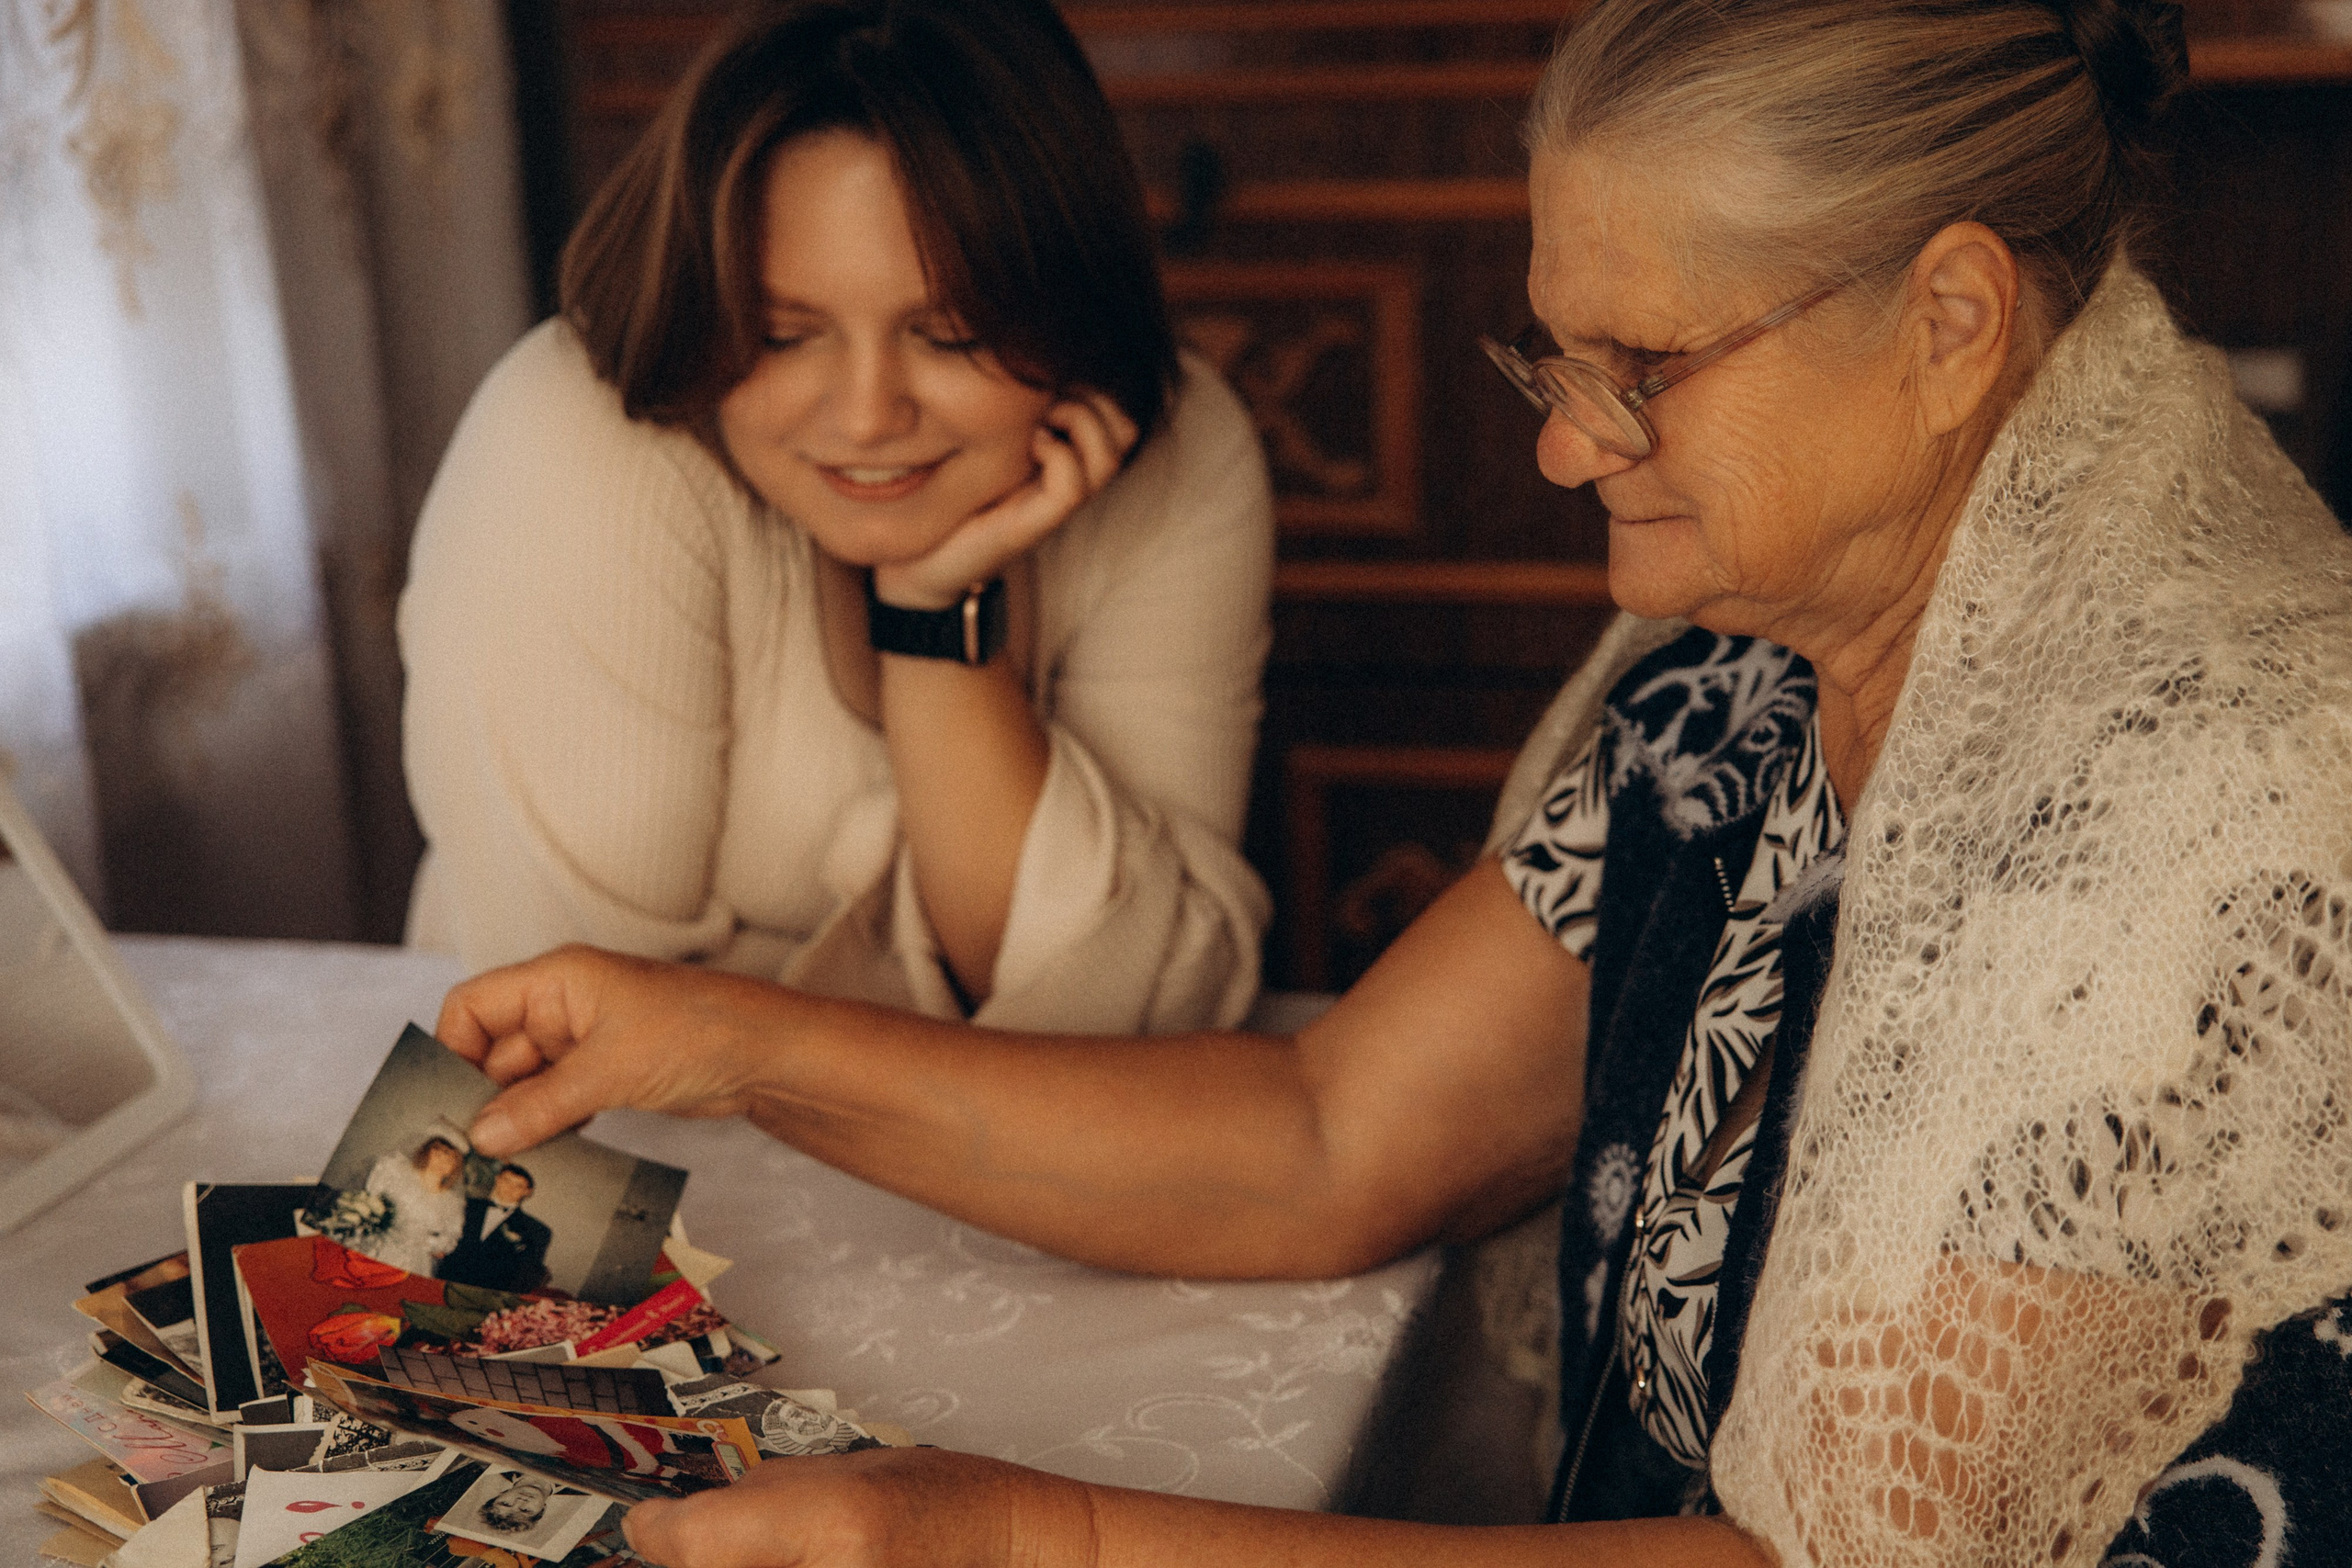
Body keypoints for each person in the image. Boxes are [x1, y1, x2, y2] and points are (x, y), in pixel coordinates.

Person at [430, 1, 2352, 1563]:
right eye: (1554, 356)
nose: (1561, 447)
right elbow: (1331, 1132)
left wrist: (1013, 1540)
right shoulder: (1739, 689)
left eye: (1641, 365)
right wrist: (722, 1038)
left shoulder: (2203, 822)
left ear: (1947, 323)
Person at [399, 0, 1273, 1032]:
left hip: (974, 1169)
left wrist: (931, 618)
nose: (866, 418)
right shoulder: (569, 442)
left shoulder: (1180, 447)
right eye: (781, 335)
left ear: (1072, 307)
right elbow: (580, 1034)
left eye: (949, 334)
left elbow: (1148, 1015)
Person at [361, 1135, 467, 1277]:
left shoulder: (452, 1203)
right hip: (380, 1246)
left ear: (455, 1167)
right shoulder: (398, 1173)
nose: (442, 1161)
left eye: (449, 1159)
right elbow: (372, 1199)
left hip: (417, 1261)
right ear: (427, 1152)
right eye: (438, 1153)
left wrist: (427, 1244)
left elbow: (450, 1237)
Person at [438, 1164, 552, 1293]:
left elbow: (526, 1274)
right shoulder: (466, 1205)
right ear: (497, 1179)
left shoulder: (536, 1230)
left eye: (518, 1186)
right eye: (506, 1181)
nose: (510, 1188)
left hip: (489, 1294)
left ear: (527, 1192)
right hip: (446, 1281)